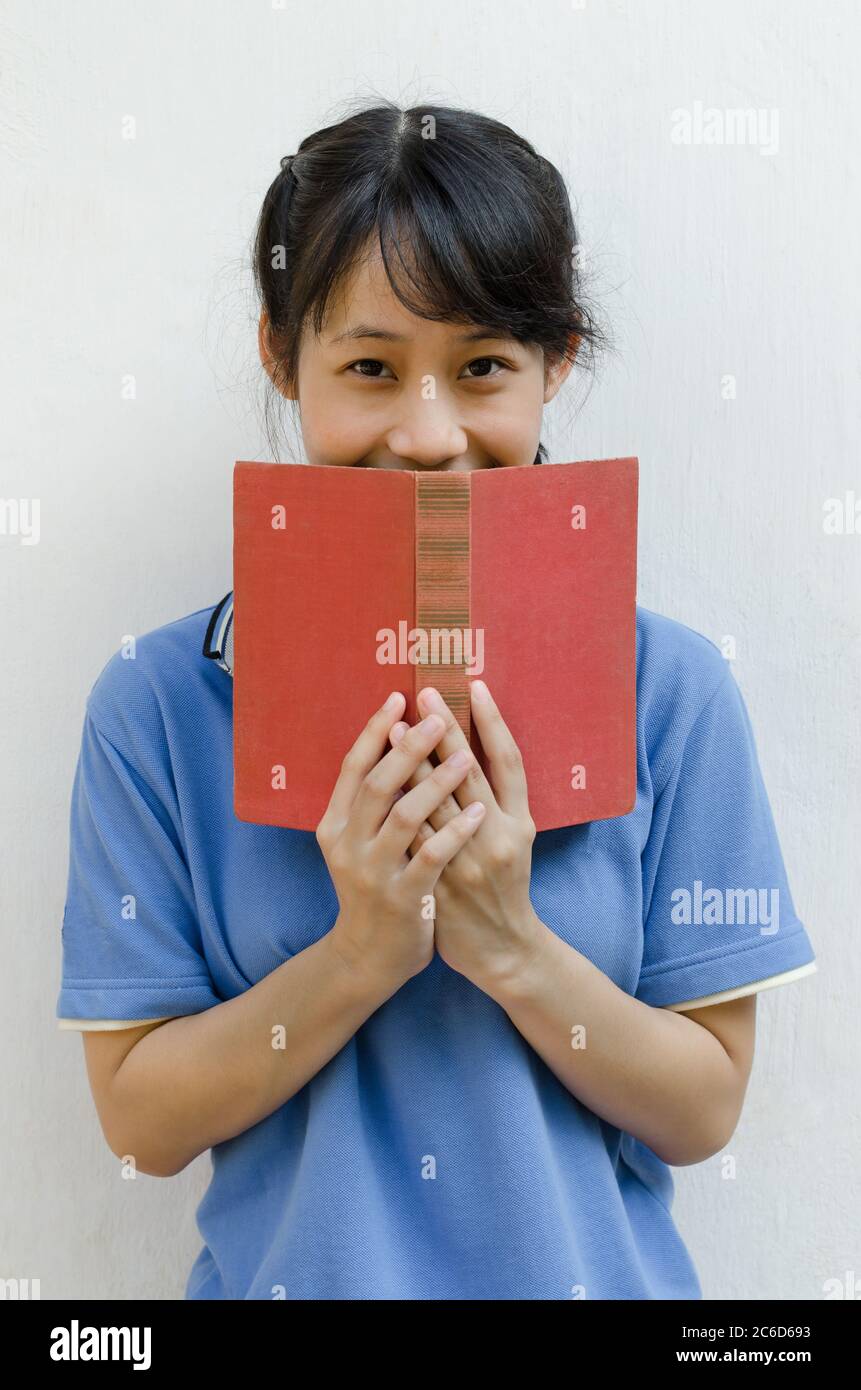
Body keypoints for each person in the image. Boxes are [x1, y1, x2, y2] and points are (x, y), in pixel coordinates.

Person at [56, 101, 817, 1300]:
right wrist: (362, 951)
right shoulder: (157, 703)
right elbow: (140, 1127)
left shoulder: (671, 688)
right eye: (368, 367)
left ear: (556, 360)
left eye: (481, 369)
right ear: (278, 354)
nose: (426, 433)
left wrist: (507, 942)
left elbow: (705, 1107)